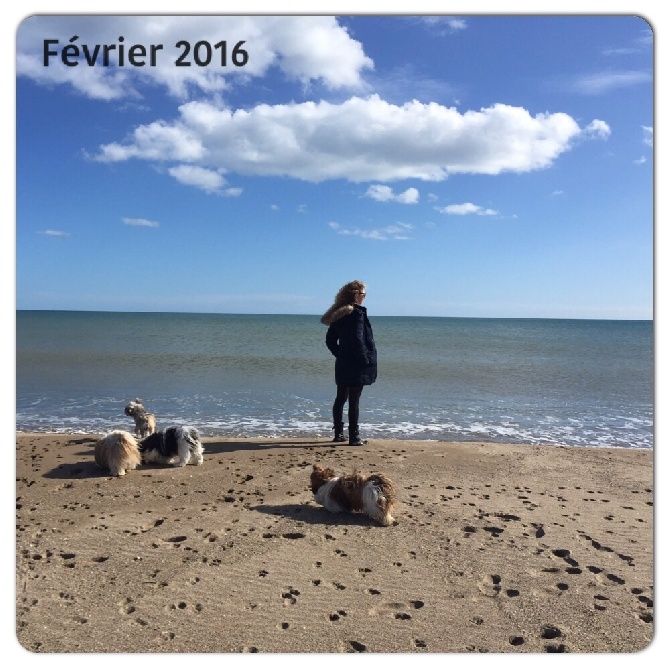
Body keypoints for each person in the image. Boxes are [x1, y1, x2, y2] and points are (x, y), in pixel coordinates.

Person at [320, 280, 377, 446]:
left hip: (344, 362)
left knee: (341, 398)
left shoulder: (340, 314)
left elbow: (330, 340)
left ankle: (338, 434)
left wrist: (340, 354)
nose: (364, 298)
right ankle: (354, 437)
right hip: (356, 364)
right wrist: (365, 360)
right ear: (356, 295)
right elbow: (358, 339)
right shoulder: (356, 314)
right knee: (354, 400)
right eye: (363, 295)